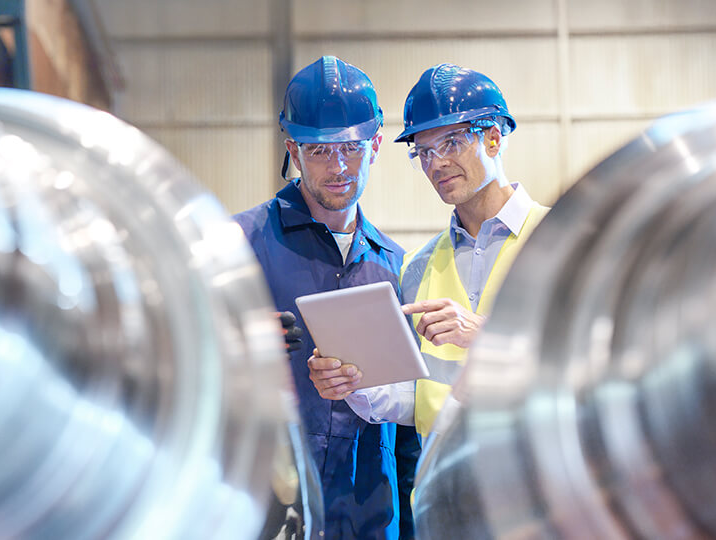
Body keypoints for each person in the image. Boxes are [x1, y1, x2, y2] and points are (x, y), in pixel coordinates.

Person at [307, 63, 549, 446]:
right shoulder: (417, 266)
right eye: (423, 152)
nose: (436, 163)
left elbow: (608, 363)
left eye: (451, 143)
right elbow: (417, 399)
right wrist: (353, 383)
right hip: (445, 495)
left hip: (542, 492)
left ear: (493, 138)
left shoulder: (560, 241)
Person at [234, 56, 420, 540]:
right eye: (319, 150)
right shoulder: (238, 245)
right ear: (293, 149)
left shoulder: (393, 264)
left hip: (369, 515)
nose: (338, 167)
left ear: (376, 145)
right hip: (265, 509)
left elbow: (407, 421)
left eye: (351, 148)